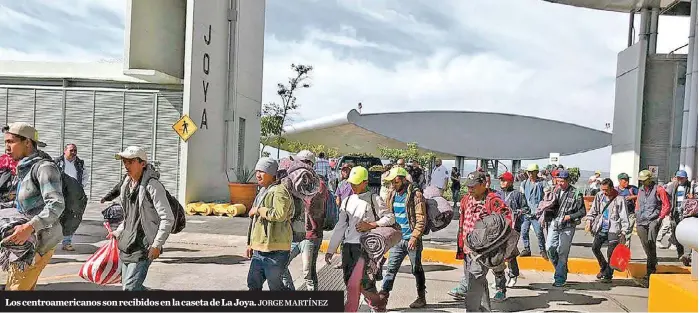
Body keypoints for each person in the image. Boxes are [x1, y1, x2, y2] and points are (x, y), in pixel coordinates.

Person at [1, 122, 65, 291]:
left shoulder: (45, 168)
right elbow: (23, 205)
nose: (6, 147)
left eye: (11, 142)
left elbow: (56, 204)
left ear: (27, 143)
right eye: (5, 142)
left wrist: (29, 227)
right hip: (24, 244)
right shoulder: (24, 168)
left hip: (38, 243)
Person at [325, 166, 395, 309]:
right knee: (349, 282)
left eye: (356, 184)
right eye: (351, 183)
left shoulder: (374, 198)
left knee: (364, 283)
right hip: (348, 247)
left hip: (365, 249)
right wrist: (331, 249)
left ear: (365, 182)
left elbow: (390, 217)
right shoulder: (347, 201)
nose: (353, 186)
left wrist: (371, 224)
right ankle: (367, 305)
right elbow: (340, 226)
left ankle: (377, 305)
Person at [111, 146, 174, 291]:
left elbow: (167, 218)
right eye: (124, 162)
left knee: (130, 289)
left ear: (142, 164)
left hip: (143, 246)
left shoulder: (153, 186)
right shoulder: (126, 185)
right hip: (127, 244)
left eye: (131, 162)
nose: (126, 166)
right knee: (130, 288)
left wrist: (157, 244)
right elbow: (129, 216)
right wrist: (119, 231)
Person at [457, 171, 512, 311]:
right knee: (477, 282)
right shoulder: (465, 199)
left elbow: (507, 221)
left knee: (474, 282)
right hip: (467, 249)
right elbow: (462, 223)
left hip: (483, 251)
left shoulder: (493, 201)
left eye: (473, 186)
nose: (470, 189)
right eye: (468, 186)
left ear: (483, 184)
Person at [379, 167, 428, 309]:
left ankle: (421, 297)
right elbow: (389, 215)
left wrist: (414, 237)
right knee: (391, 270)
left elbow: (421, 218)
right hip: (397, 239)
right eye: (391, 182)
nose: (392, 184)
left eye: (395, 181)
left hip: (412, 239)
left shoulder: (415, 194)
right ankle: (382, 299)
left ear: (401, 179)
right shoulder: (392, 194)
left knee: (416, 269)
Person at [281, 150, 328, 291]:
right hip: (295, 233)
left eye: (299, 163)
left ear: (309, 164)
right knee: (280, 265)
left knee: (308, 273)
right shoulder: (293, 181)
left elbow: (313, 204)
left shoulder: (319, 184)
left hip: (311, 235)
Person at [246, 157, 293, 291]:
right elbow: (254, 222)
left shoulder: (279, 191)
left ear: (271, 173)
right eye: (257, 171)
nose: (258, 175)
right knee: (253, 283)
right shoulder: (261, 192)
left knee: (275, 286)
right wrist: (250, 244)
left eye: (262, 171)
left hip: (276, 250)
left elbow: (280, 214)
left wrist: (259, 210)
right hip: (259, 249)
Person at [546, 170, 586, 287]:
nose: (560, 184)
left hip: (568, 226)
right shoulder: (555, 191)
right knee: (550, 248)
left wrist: (570, 216)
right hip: (554, 223)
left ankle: (560, 278)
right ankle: (561, 268)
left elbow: (582, 211)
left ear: (568, 181)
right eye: (558, 181)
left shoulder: (576, 193)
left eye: (562, 181)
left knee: (562, 252)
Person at [585, 178, 629, 282]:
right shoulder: (599, 196)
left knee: (611, 252)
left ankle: (608, 275)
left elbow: (624, 216)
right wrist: (589, 220)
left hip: (614, 228)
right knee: (595, 247)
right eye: (602, 189)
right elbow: (593, 210)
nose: (604, 192)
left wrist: (624, 232)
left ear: (611, 188)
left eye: (606, 190)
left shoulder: (619, 199)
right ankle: (603, 266)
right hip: (602, 227)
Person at [636, 169, 671, 283]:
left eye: (644, 180)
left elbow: (666, 205)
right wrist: (637, 213)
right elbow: (638, 203)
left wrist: (659, 218)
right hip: (641, 220)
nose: (642, 182)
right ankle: (653, 260)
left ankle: (650, 270)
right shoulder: (640, 190)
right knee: (645, 244)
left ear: (649, 179)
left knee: (651, 243)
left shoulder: (659, 189)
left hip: (653, 220)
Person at [497, 171, 528, 291]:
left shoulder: (517, 195)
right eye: (501, 180)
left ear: (510, 182)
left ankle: (513, 274)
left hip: (513, 228)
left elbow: (526, 208)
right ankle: (500, 278)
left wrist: (517, 212)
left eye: (504, 180)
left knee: (509, 252)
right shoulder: (498, 194)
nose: (502, 182)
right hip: (499, 228)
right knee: (499, 253)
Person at [53, 143, 87, 252]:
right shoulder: (57, 162)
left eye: (75, 151)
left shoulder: (80, 163)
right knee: (56, 216)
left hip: (74, 195)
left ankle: (67, 242)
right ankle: (51, 242)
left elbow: (85, 176)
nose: (73, 153)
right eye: (71, 150)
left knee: (72, 217)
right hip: (60, 192)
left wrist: (79, 188)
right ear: (65, 151)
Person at [519, 164, 547, 259]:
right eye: (529, 172)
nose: (530, 174)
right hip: (526, 212)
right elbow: (522, 197)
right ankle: (527, 249)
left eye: (532, 172)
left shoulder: (542, 183)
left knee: (539, 232)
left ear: (536, 172)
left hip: (537, 213)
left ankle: (542, 250)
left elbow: (548, 195)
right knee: (524, 231)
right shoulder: (524, 183)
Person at [616, 173, 638, 247]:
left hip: (630, 214)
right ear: (619, 181)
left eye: (628, 180)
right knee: (618, 233)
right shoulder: (615, 190)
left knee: (627, 233)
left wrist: (632, 197)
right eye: (625, 180)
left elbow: (641, 195)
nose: (627, 182)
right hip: (619, 215)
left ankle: (625, 252)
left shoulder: (632, 189)